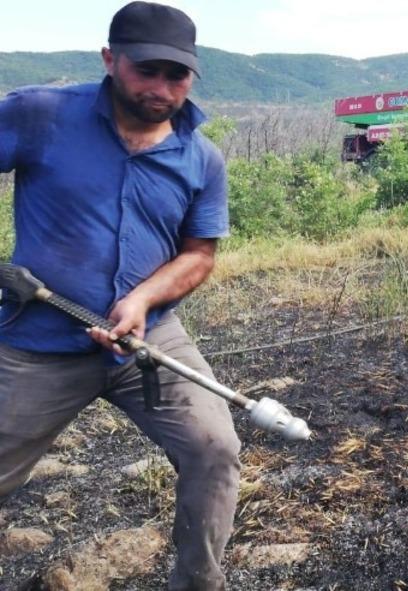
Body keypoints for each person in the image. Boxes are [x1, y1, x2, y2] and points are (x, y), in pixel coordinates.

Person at [0, 3, 239, 589]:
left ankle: (199, 583)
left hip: (148, 340)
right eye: (146, 70)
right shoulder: (42, 115)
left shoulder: (201, 158)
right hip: (38, 344)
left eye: (176, 75)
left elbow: (199, 253)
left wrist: (141, 300)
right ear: (110, 59)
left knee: (215, 447)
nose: (161, 88)